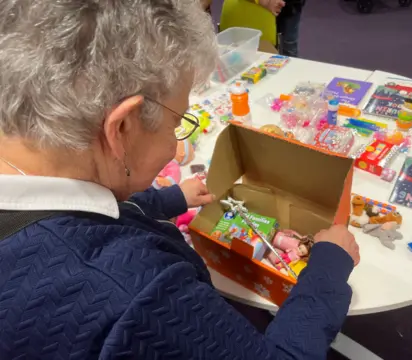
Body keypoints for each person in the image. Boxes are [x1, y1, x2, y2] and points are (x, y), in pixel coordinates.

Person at [0, 0, 360, 359]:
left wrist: (168, 198)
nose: (176, 144)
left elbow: (86, 206)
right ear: (122, 127)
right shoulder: (135, 294)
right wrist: (328, 269)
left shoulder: (28, 165)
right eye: (177, 122)